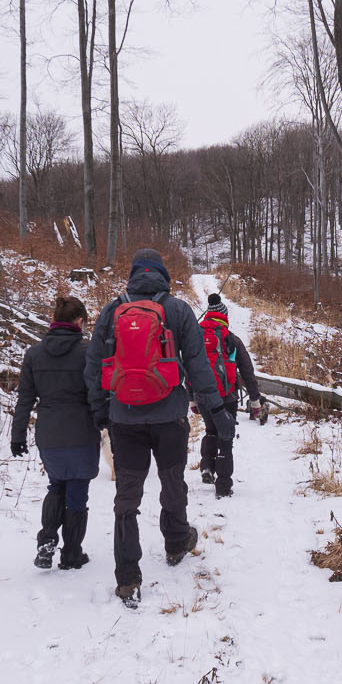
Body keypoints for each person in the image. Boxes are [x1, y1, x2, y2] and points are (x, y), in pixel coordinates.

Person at [85, 248, 234, 608]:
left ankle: (127, 578)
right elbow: (198, 366)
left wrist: (100, 411)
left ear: (134, 274)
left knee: (127, 496)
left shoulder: (112, 309)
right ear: (163, 275)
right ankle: (175, 542)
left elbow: (93, 365)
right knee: (172, 481)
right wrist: (217, 411)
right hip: (169, 415)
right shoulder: (179, 310)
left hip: (125, 417)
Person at [12, 295, 100, 571]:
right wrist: (108, 423)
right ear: (80, 321)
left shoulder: (34, 354)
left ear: (54, 320)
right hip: (81, 432)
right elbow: (97, 395)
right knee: (77, 491)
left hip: (49, 433)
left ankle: (47, 539)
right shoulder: (88, 353)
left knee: (56, 485)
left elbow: (25, 399)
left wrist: (17, 436)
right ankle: (72, 553)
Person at [197, 291, 266, 499]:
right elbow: (247, 371)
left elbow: (190, 367)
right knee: (225, 439)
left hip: (202, 396)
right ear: (224, 317)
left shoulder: (196, 336)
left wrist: (192, 396)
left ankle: (207, 467)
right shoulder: (231, 339)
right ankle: (223, 486)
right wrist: (254, 400)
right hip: (226, 397)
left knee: (210, 430)